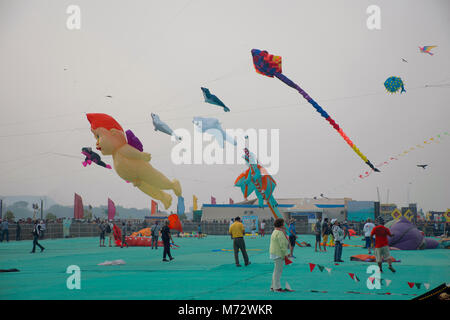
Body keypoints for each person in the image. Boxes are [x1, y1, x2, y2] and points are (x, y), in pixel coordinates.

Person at [270, 218, 293, 292]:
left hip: (275, 253)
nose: (284, 224)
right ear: (281, 224)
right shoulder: (280, 233)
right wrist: (286, 254)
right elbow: (282, 245)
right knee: (278, 271)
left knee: (276, 271)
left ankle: (273, 286)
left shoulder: (275, 231)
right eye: (283, 223)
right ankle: (277, 288)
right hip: (278, 253)